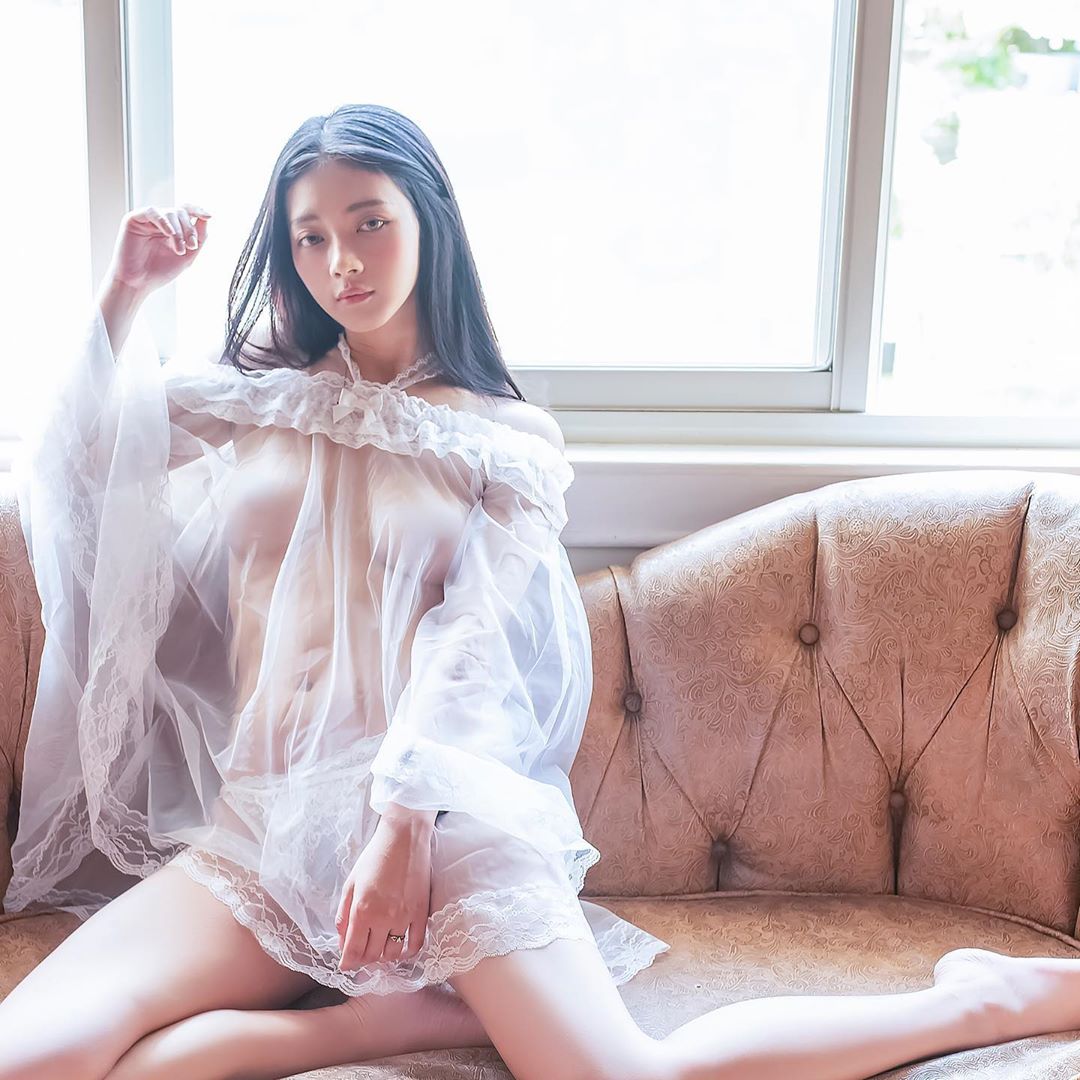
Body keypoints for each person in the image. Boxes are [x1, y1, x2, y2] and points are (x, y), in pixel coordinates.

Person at [1, 103, 1079, 1080]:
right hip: (266, 828)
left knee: (622, 1079)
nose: (343, 261)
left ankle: (978, 998)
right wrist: (128, 290)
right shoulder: (251, 397)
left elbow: (473, 644)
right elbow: (78, 470)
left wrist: (402, 830)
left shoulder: (504, 440)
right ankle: (385, 1021)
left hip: (438, 827)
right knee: (34, 1060)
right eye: (312, 236)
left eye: (370, 222)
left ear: (428, 221)